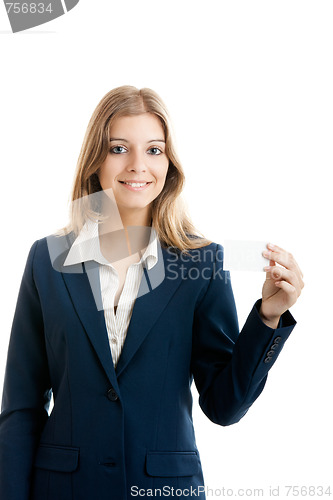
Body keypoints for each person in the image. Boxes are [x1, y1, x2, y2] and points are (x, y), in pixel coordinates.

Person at [0, 86, 304, 500]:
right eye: (119, 148)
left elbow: (224, 406)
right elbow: (21, 408)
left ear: (169, 162)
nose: (138, 166)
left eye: (154, 150)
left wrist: (267, 318)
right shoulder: (47, 259)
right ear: (96, 159)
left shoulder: (202, 262)